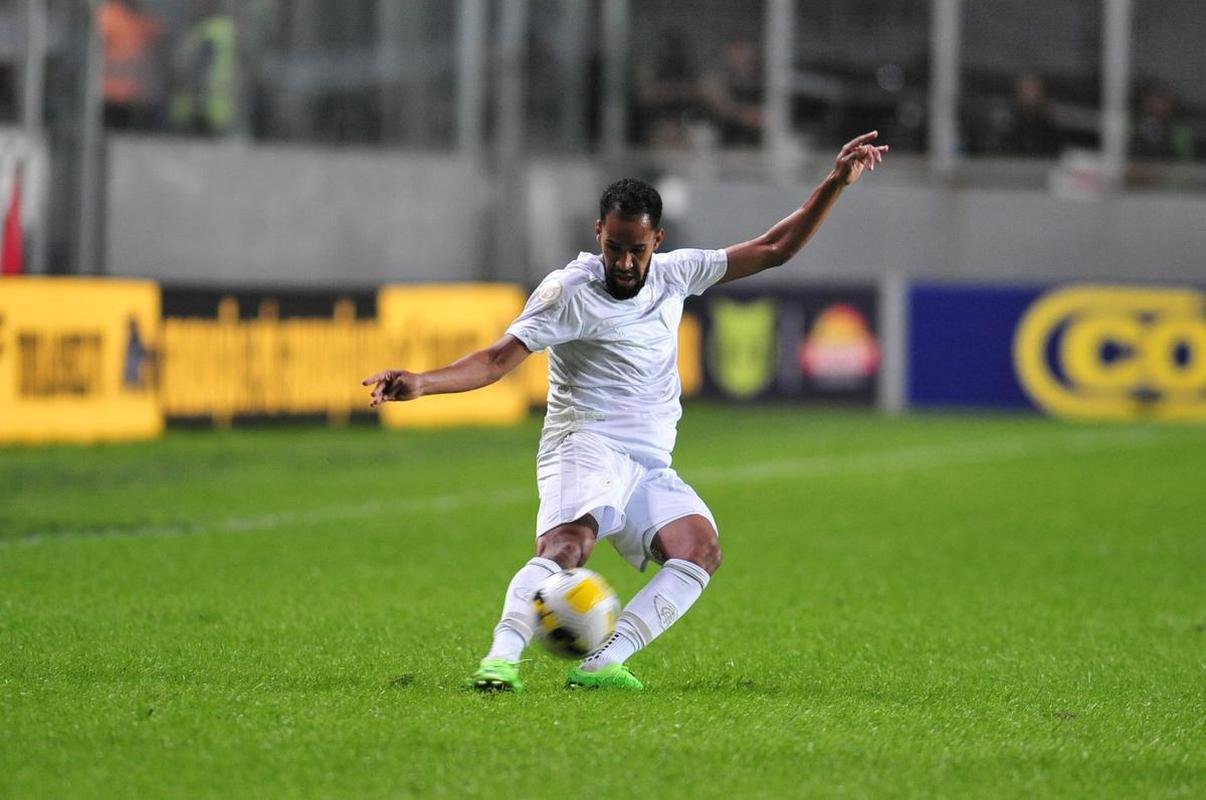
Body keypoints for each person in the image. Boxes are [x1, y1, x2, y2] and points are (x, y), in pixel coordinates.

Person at [363, 131, 888, 691]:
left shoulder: (676, 274)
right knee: (568, 548)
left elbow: (775, 247)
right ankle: (500, 660)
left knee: (700, 549)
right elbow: (496, 359)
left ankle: (603, 661)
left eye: (637, 249)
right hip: (584, 445)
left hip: (648, 464)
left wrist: (834, 182)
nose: (625, 262)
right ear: (599, 234)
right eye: (615, 247)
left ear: (656, 240)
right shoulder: (568, 290)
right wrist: (423, 382)